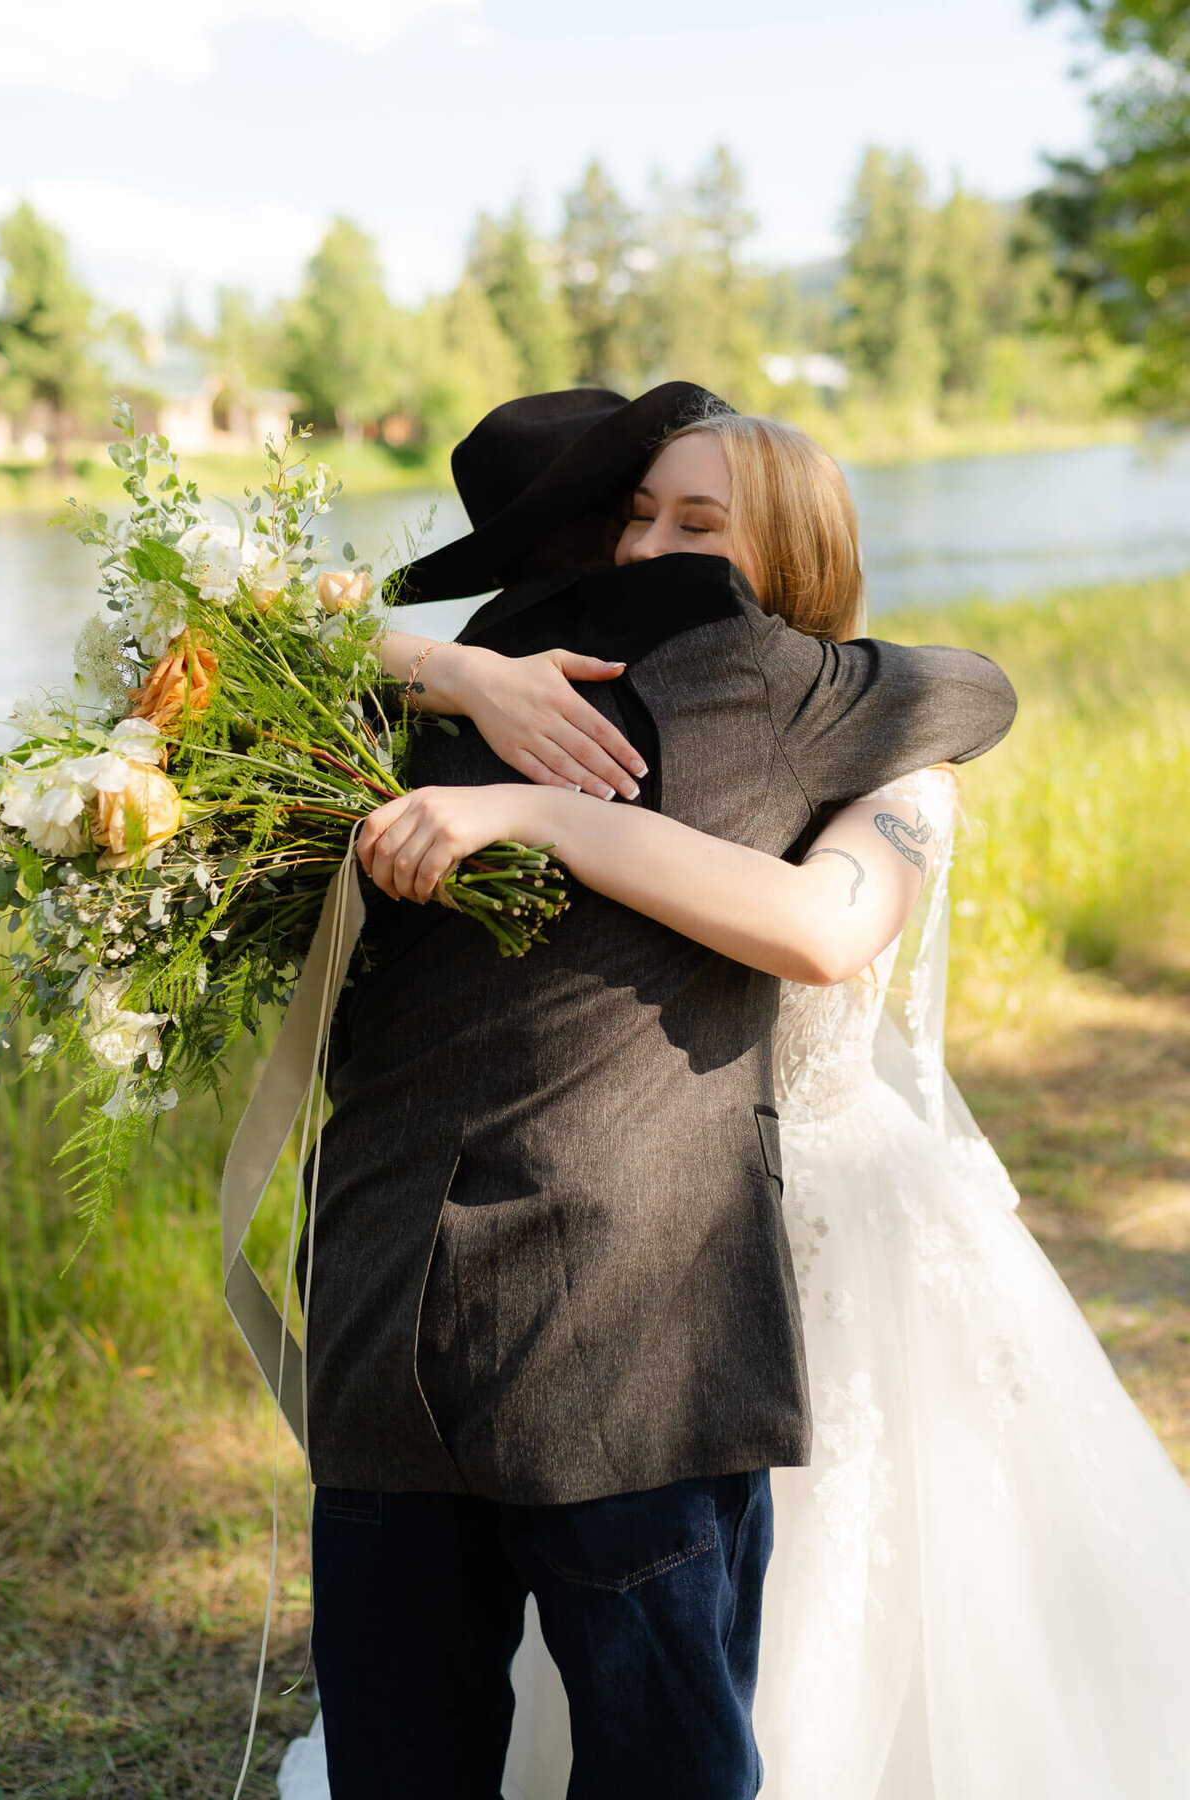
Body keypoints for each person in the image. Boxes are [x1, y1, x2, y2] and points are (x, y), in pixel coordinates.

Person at [279, 406, 1190, 1800]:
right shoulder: (531, 706)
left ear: (797, 545)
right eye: (630, 521)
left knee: (742, 1658)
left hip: (774, 1243)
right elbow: (230, 657)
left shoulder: (879, 743)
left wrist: (548, 814)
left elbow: (823, 930)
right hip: (552, 1254)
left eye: (694, 528)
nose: (645, 552)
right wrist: (462, 669)